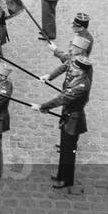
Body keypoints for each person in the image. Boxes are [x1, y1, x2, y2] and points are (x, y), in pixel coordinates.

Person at [36, 54, 92, 188]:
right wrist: (49, 76)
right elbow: (65, 67)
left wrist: (42, 106)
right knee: (65, 150)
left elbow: (62, 99)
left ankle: (66, 180)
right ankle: (62, 175)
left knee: (68, 153)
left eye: (74, 69)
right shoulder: (78, 76)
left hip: (73, 120)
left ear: (82, 71)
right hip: (68, 116)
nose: (71, 70)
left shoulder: (82, 85)